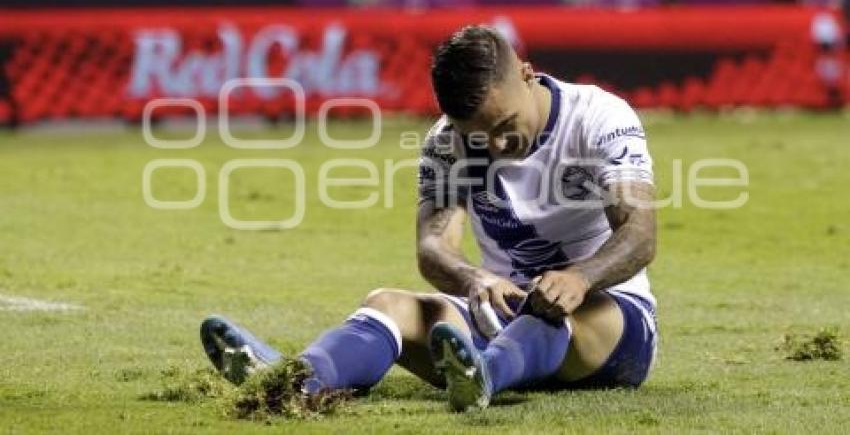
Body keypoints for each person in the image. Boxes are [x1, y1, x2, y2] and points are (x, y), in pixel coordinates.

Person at [200, 25, 659, 411]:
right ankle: (291, 381)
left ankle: (485, 375)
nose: (495, 146)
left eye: (503, 126)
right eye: (477, 136)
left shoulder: (601, 117)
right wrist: (475, 280)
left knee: (553, 313)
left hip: (609, 326)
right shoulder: (446, 142)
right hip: (502, 315)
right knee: (388, 304)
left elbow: (639, 234)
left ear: (526, 73)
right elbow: (433, 247)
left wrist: (579, 278)